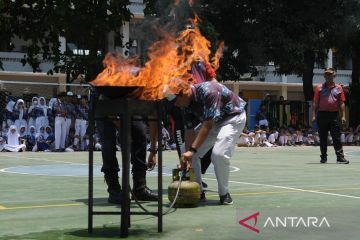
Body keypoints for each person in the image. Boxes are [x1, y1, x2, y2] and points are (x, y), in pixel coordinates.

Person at [163, 78, 247, 205]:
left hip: (233, 118)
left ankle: (224, 193)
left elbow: (207, 126)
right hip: (215, 122)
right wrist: (188, 155)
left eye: (175, 100)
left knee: (218, 155)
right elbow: (189, 131)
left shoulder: (210, 91)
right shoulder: (185, 104)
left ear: (184, 92)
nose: (175, 104)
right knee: (191, 153)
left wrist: (192, 150)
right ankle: (198, 191)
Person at [97, 118, 158, 204]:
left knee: (140, 131)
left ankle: (139, 188)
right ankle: (114, 189)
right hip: (104, 108)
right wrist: (124, 131)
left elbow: (154, 120)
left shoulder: (152, 107)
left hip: (129, 108)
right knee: (108, 141)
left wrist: (153, 151)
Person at [312, 68, 349, 164]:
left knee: (336, 137)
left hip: (334, 115)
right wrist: (313, 115)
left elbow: (341, 103)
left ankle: (340, 158)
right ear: (324, 76)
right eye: (326, 74)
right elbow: (315, 103)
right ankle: (323, 157)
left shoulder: (339, 88)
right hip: (322, 115)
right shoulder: (319, 88)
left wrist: (343, 116)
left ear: (334, 76)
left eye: (330, 74)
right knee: (323, 137)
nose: (328, 76)